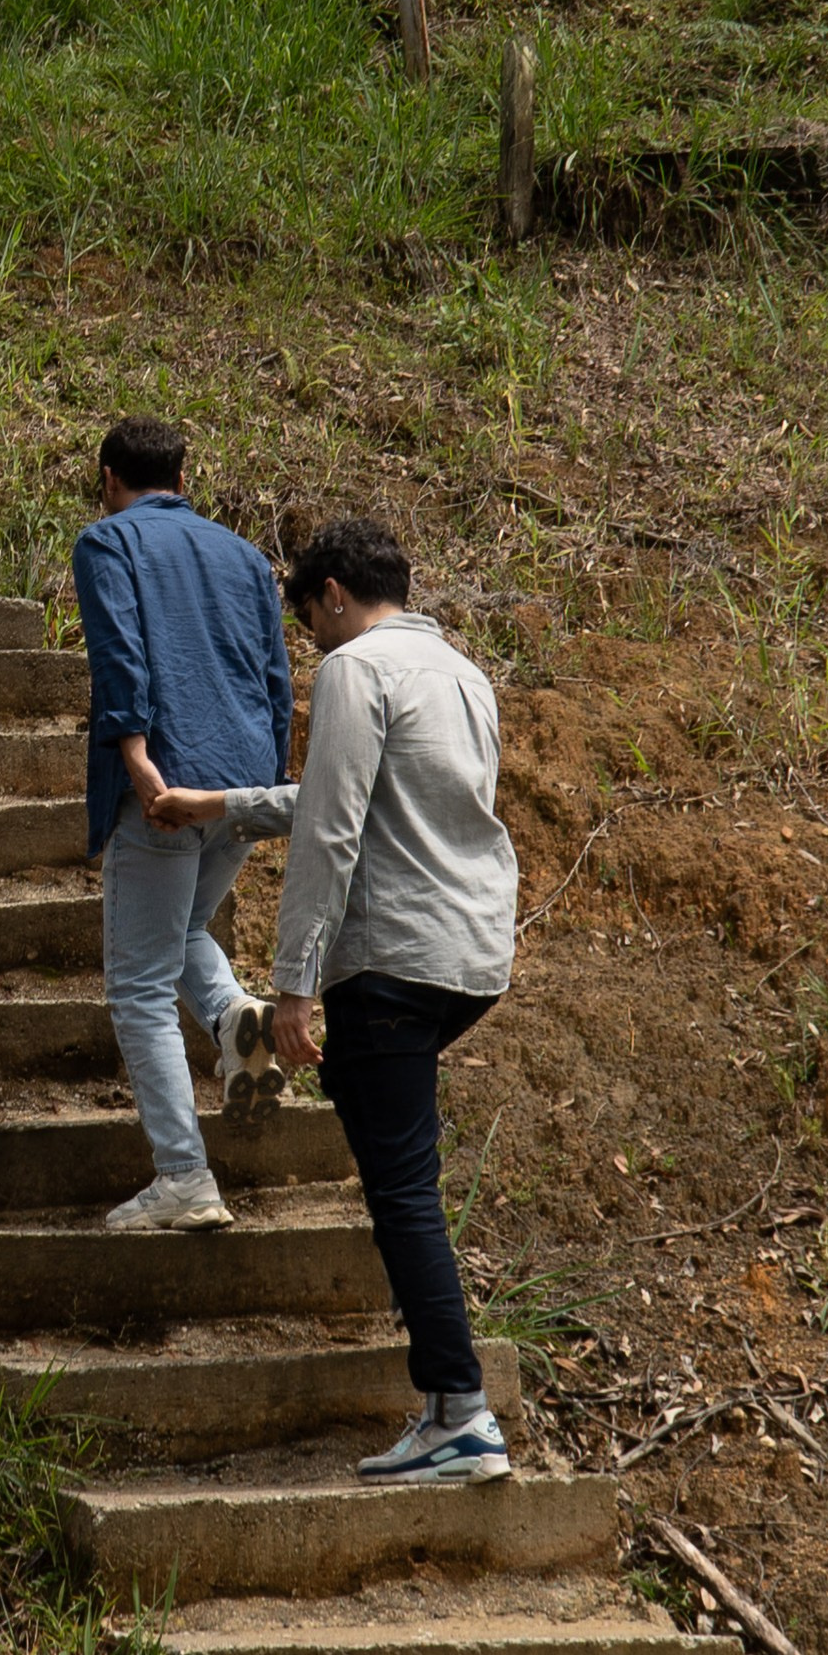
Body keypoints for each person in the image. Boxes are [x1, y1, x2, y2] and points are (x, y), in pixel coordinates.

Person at [263, 516, 519, 1486]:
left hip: (389, 962)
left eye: (311, 619)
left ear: (331, 592)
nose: (313, 641)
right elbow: (376, 800)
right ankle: (450, 1404)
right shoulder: (461, 673)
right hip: (469, 956)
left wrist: (293, 982)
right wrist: (226, 805)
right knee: (397, 1173)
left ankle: (459, 1413)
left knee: (403, 1192)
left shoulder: (352, 671)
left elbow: (330, 833)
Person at [71, 416, 297, 1234]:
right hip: (241, 785)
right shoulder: (243, 555)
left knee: (136, 986)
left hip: (166, 783)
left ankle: (184, 1177)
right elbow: (276, 679)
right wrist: (263, 783)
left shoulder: (108, 543)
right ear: (181, 473)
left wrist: (135, 759)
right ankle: (238, 1018)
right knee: (185, 929)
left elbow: (119, 654)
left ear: (109, 477)